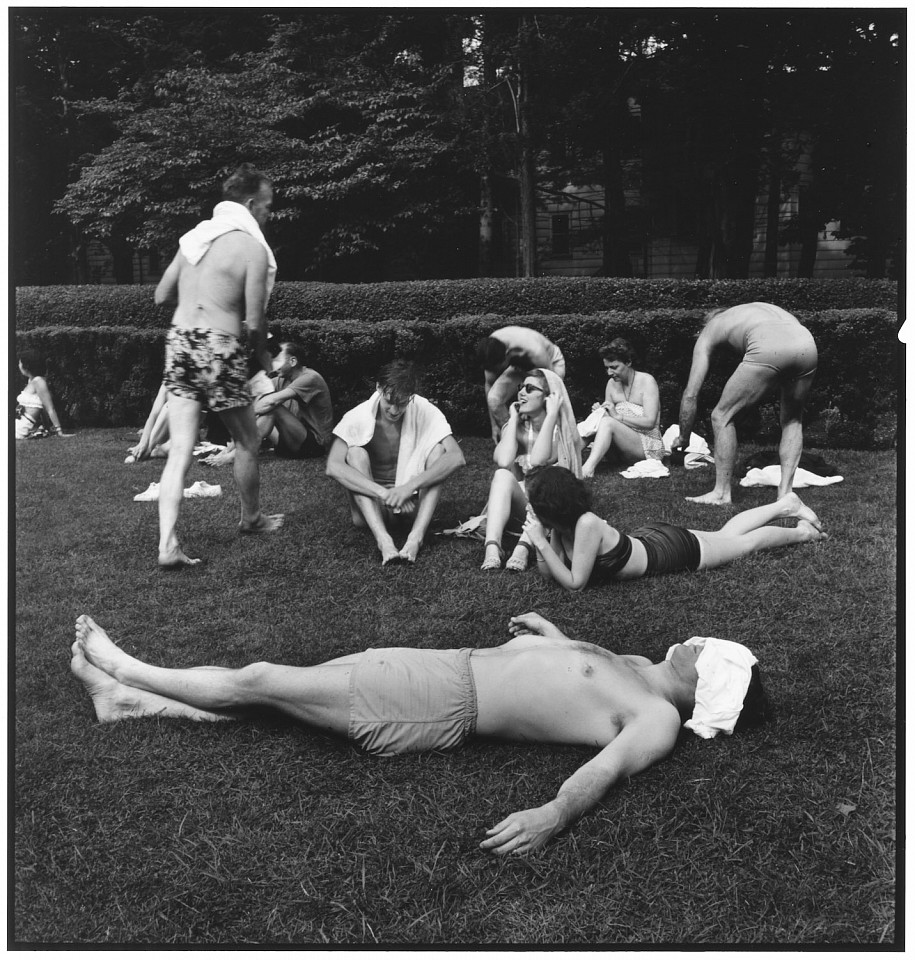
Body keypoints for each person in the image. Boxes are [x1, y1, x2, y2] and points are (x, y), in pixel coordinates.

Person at [71, 610, 770, 856]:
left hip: (439, 702)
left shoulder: (656, 719)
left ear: (711, 686)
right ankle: (129, 704)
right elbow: (575, 674)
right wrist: (551, 639)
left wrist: (553, 813)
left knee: (260, 679)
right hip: (440, 670)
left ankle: (126, 667)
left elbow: (609, 768)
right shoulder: (638, 670)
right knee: (280, 699)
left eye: (709, 653)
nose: (697, 644)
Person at [152, 163, 284, 568]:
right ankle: (252, 519)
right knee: (248, 440)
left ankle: (167, 546)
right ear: (249, 204)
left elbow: (161, 296)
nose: (268, 214)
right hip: (219, 346)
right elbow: (255, 322)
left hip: (180, 341)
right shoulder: (252, 249)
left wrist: (198, 298)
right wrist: (263, 356)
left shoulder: (194, 240)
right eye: (266, 206)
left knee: (180, 450)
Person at [522, 465, 827, 591]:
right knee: (725, 536)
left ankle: (803, 532)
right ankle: (785, 505)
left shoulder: (586, 523)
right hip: (652, 539)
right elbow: (552, 574)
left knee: (744, 546)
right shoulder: (562, 527)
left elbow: (575, 583)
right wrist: (542, 540)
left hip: (670, 551)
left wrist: (541, 541)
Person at [672, 302, 818, 504]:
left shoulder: (711, 328)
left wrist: (683, 437)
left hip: (770, 343)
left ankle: (721, 493)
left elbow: (690, 394)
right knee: (793, 420)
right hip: (806, 342)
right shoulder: (750, 311)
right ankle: (785, 495)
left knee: (722, 416)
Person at [326, 360, 465, 565]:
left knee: (438, 451)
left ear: (411, 397)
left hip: (410, 505)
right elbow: (333, 466)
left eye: (402, 403)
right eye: (389, 401)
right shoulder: (358, 416)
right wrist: (384, 493)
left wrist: (409, 487)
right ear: (379, 388)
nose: (394, 409)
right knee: (355, 453)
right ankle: (383, 540)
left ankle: (415, 538)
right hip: (373, 507)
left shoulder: (423, 409)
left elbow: (456, 457)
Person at [480, 369, 582, 572]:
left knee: (541, 480)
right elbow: (503, 460)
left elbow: (537, 460)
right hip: (521, 506)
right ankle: (492, 547)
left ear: (548, 397)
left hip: (550, 509)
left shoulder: (560, 431)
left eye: (529, 388)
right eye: (520, 388)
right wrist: (513, 420)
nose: (521, 393)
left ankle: (524, 547)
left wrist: (552, 414)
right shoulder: (515, 425)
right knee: (502, 475)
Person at [204, 341, 334, 465]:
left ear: (293, 361)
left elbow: (270, 403)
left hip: (314, 445)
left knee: (271, 408)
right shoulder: (280, 380)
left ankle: (235, 456)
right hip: (289, 443)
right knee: (261, 407)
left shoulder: (310, 378)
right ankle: (228, 451)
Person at [580, 338, 663, 478]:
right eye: (607, 367)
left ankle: (587, 469)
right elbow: (609, 415)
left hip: (648, 446)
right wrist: (600, 411)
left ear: (628, 362)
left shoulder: (647, 381)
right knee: (596, 419)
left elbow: (650, 422)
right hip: (619, 447)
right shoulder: (611, 384)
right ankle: (562, 459)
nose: (609, 372)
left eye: (614, 367)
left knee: (607, 422)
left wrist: (617, 416)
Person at [477, 326, 566, 442]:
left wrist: (528, 406)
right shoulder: (491, 349)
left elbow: (551, 387)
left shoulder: (535, 351)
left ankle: (548, 443)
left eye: (496, 368)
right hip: (518, 366)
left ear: (506, 356)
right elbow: (489, 384)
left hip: (550, 365)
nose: (494, 372)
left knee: (538, 405)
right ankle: (518, 442)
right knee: (494, 399)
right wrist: (494, 425)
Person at [15, 350, 73, 440]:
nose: (19, 366)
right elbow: (42, 410)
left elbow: (49, 408)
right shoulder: (32, 380)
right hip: (18, 422)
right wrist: (47, 428)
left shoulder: (39, 381)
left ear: (26, 366)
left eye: (20, 363)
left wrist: (59, 431)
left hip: (20, 427)